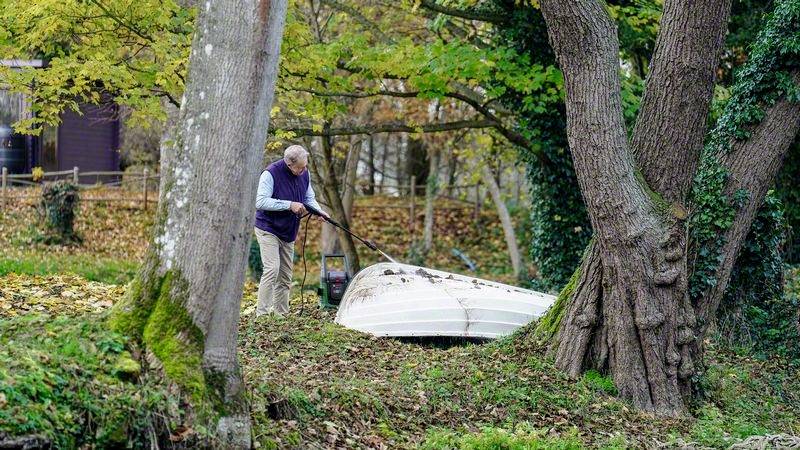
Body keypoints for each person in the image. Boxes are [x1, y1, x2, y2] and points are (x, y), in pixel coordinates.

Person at [254, 145, 328, 317]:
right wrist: (289, 205)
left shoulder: (305, 173)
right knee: (272, 269)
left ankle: (281, 315)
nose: (304, 170)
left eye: (305, 166)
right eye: (300, 168)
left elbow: (309, 198)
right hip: (268, 228)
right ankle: (262, 316)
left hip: (288, 231)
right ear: (289, 164)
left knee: (286, 276)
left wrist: (319, 212)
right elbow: (261, 202)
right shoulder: (270, 174)